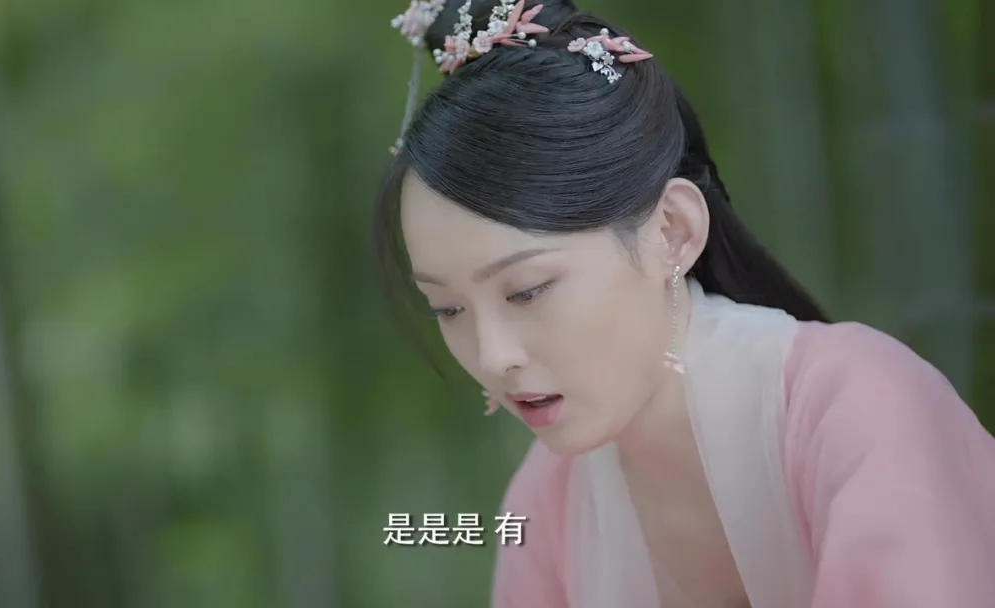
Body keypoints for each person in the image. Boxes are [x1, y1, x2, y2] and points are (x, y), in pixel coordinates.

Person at [376, 1, 995, 606]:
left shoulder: (858, 409)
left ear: (671, 231)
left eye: (527, 290)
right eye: (448, 309)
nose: (493, 356)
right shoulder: (548, 499)